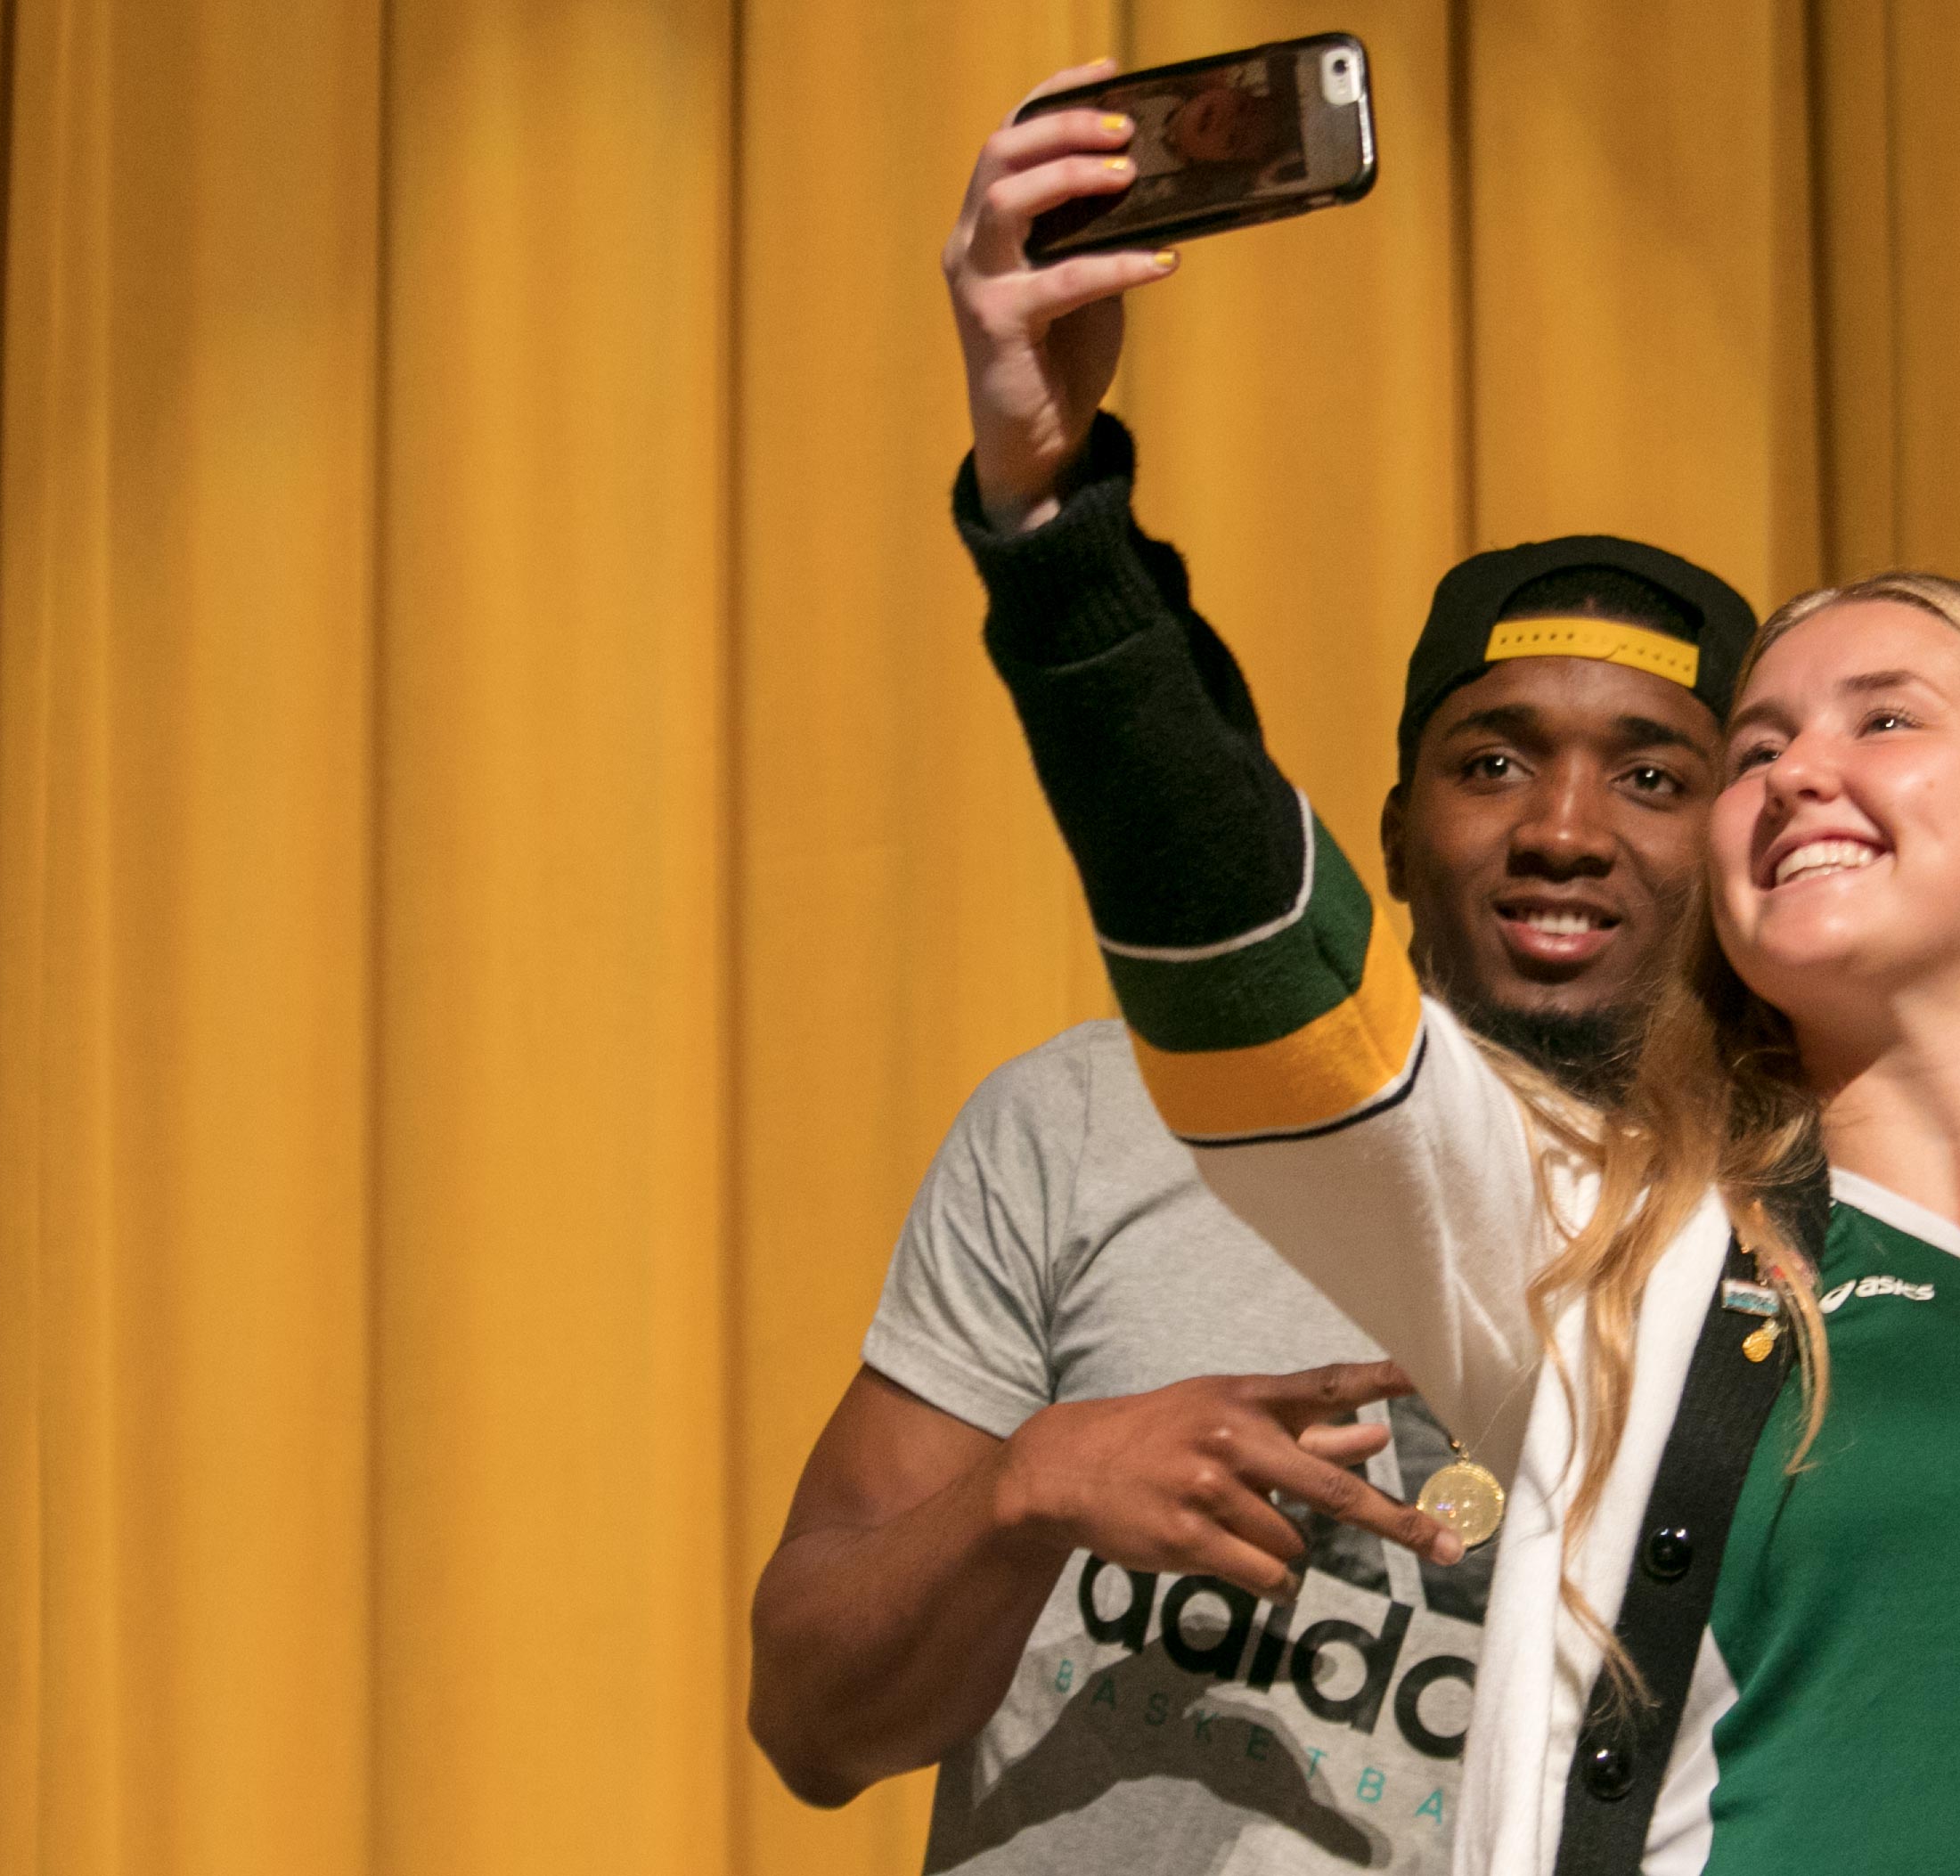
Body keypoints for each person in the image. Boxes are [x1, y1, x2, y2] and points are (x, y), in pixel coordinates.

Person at [937, 59, 1960, 1876]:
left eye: (1883, 718)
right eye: (1765, 741)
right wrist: (1055, 513)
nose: (1798, 768)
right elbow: (1268, 979)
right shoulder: (1604, 1264)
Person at [744, 61, 1764, 1875]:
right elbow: (814, 1722)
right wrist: (1023, 1491)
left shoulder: (1818, 1236)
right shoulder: (1083, 1125)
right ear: (1385, 830)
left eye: (1655, 774)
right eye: (1495, 759)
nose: (1564, 827)